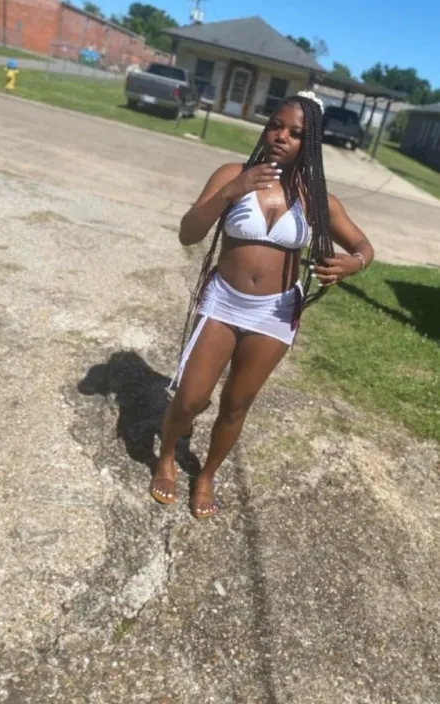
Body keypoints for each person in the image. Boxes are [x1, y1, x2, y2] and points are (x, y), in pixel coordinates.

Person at [150, 91, 374, 518]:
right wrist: (229, 193)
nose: (281, 136)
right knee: (191, 398)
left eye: (295, 133)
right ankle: (166, 457)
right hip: (223, 302)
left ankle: (207, 475)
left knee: (237, 404)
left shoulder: (316, 198)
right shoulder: (233, 174)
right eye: (276, 125)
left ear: (310, 143)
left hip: (275, 313)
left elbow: (363, 245)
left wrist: (354, 263)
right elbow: (188, 233)